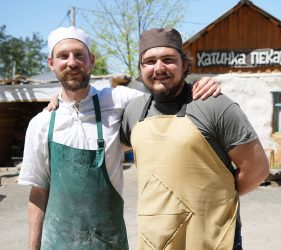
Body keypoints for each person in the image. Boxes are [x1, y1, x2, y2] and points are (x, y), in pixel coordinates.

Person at [18, 26, 220, 250]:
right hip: (57, 244)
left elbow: (165, 94)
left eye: (79, 55)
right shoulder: (41, 123)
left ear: (91, 60)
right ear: (51, 64)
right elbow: (38, 192)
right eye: (63, 56)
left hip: (109, 243)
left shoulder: (118, 100)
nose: (72, 62)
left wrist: (198, 85)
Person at [120, 28, 270, 250]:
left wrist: (216, 199)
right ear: (141, 69)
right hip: (155, 240)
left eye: (168, 59)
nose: (158, 68)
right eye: (149, 61)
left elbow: (257, 169)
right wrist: (60, 101)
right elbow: (110, 145)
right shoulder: (134, 111)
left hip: (212, 239)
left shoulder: (215, 105)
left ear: (184, 64)